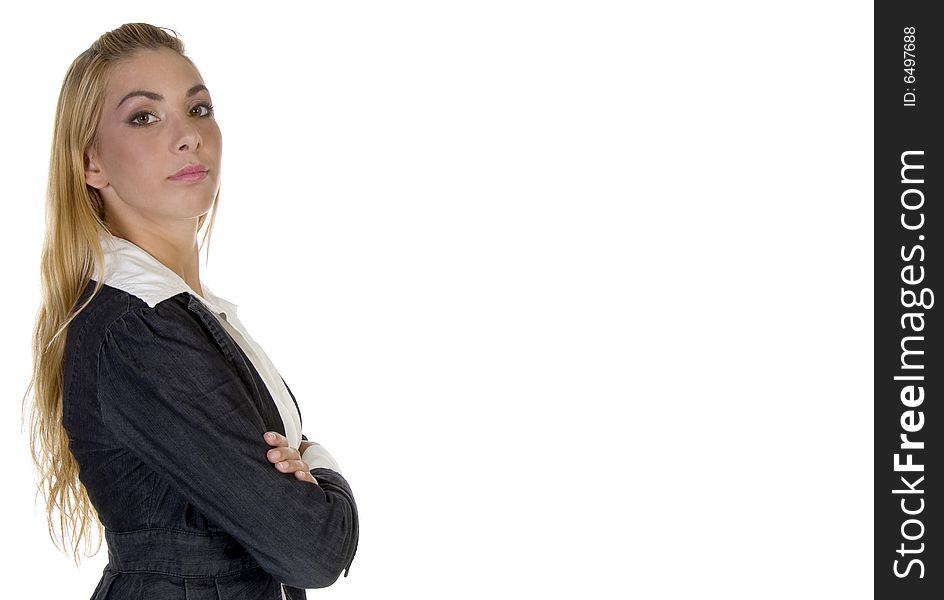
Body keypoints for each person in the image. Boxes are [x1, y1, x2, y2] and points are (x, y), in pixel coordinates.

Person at [21, 23, 358, 600]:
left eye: (198, 109)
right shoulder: (138, 327)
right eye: (144, 117)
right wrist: (323, 473)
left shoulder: (182, 314)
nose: (188, 137)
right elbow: (311, 549)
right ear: (91, 165)